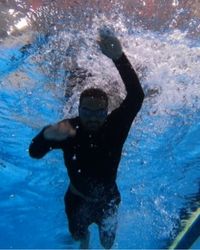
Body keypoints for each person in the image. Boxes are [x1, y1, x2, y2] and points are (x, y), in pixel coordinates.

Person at [29, 30, 144, 249]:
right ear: (79, 109)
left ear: (106, 111)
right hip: (76, 199)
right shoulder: (68, 129)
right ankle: (84, 240)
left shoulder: (115, 126)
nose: (92, 118)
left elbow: (137, 96)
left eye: (98, 112)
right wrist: (44, 136)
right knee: (77, 236)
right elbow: (34, 153)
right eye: (87, 112)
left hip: (109, 201)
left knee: (108, 244)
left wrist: (119, 57)